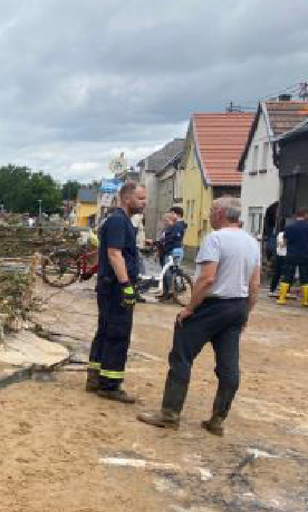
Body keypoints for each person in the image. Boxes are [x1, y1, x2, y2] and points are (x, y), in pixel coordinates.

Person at [138, 198, 260, 436]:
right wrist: (246, 312)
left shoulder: (215, 239)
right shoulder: (251, 242)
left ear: (222, 213)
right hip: (237, 306)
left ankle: (170, 414)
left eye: (212, 210)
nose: (209, 214)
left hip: (212, 305)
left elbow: (207, 279)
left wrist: (190, 308)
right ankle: (217, 419)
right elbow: (254, 284)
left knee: (181, 355)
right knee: (228, 365)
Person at [86, 182, 147, 403]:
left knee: (105, 330)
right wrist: (126, 286)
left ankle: (95, 377)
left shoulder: (119, 221)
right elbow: (114, 254)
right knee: (118, 333)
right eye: (140, 198)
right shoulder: (119, 221)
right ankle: (110, 384)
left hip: (109, 285)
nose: (144, 202)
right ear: (127, 198)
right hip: (115, 287)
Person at [277, 207, 308, 306]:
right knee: (305, 277)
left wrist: (282, 245)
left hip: (291, 255)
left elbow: (284, 242)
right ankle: (305, 301)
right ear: (305, 215)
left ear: (296, 216)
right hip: (305, 255)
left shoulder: (289, 227)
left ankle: (282, 299)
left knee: (287, 276)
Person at [156, 207, 187, 301]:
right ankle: (166, 293)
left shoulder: (178, 226)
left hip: (172, 251)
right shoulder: (170, 227)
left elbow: (173, 238)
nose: (165, 221)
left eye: (172, 213)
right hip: (166, 251)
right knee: (165, 273)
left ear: (177, 215)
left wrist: (164, 242)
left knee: (169, 272)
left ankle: (171, 292)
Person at [269, 228, 287, 295]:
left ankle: (285, 291)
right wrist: (289, 241)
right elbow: (282, 245)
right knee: (277, 273)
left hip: (288, 256)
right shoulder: (281, 234)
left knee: (287, 275)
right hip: (280, 256)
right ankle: (272, 290)